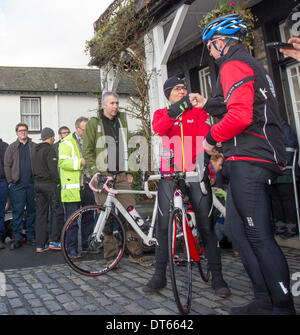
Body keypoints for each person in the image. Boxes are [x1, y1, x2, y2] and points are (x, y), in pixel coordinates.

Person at [190, 13, 295, 315]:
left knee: (258, 233)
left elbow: (240, 117)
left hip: (252, 156)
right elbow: (232, 104)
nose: (210, 53)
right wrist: (206, 104)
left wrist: (209, 138)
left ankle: (283, 306)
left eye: (209, 47)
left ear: (221, 42)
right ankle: (263, 298)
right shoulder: (246, 63)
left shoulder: (233, 64)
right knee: (237, 229)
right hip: (248, 157)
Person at [142, 77, 230, 298]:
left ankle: (217, 277)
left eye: (184, 89)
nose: (182, 92)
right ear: (168, 94)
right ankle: (159, 275)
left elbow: (205, 139)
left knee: (206, 226)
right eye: (177, 89)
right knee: (163, 228)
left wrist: (204, 167)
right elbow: (160, 129)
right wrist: (178, 109)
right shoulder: (162, 113)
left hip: (194, 173)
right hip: (169, 175)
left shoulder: (198, 113)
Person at [82, 91, 152, 267]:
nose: (115, 106)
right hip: (103, 177)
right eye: (112, 103)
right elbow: (88, 150)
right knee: (106, 217)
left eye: (116, 103)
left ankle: (136, 253)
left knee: (131, 213)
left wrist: (129, 171)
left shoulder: (122, 121)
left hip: (121, 175)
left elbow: (127, 146)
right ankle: (111, 256)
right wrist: (96, 171)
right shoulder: (93, 123)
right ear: (103, 105)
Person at [58, 117, 95, 258]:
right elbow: (62, 162)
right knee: (72, 220)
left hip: (88, 185)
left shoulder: (90, 141)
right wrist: (81, 162)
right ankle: (71, 249)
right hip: (72, 187)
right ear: (77, 128)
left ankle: (87, 245)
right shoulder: (66, 142)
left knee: (89, 217)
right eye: (85, 130)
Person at [32, 127, 65, 252]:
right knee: (57, 211)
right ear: (50, 137)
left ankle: (40, 245)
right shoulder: (49, 150)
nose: (54, 139)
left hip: (37, 184)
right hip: (49, 185)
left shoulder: (35, 150)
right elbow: (53, 170)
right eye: (53, 137)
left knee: (41, 214)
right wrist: (58, 182)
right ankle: (55, 241)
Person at [4, 123, 36, 250]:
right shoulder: (11, 147)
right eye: (20, 131)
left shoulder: (34, 146)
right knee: (17, 212)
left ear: (27, 132)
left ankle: (30, 236)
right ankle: (17, 238)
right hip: (17, 185)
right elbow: (7, 165)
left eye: (25, 130)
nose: (23, 132)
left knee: (32, 212)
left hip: (32, 184)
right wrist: (10, 182)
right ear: (17, 133)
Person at [270, 119, 300, 238]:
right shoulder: (269, 130)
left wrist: (282, 163)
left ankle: (291, 226)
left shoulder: (284, 128)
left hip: (286, 172)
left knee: (288, 201)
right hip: (274, 173)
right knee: (276, 201)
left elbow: (290, 147)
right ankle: (280, 225)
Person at [0, 138, 9, 249]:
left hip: (2, 182)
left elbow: (8, 164)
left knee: (1, 213)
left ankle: (0, 238)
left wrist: (9, 181)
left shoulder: (4, 146)